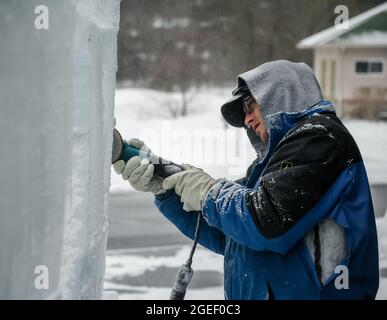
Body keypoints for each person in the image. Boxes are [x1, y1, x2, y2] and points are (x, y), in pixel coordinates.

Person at [113, 60, 379, 300]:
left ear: (281, 95)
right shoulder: (268, 166)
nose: (247, 118)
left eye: (252, 105)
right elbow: (230, 233)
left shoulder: (320, 138)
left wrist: (207, 190)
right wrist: (166, 190)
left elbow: (266, 223)